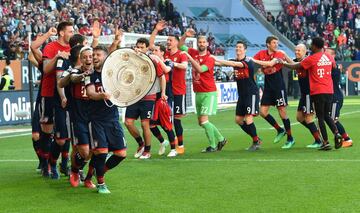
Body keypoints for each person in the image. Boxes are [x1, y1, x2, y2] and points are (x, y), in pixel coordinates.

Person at [282, 37, 342, 150]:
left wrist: (282, 63)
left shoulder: (312, 58)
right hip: (329, 90)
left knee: (320, 117)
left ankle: (326, 142)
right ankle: (336, 133)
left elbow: (296, 66)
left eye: (312, 45)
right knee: (326, 115)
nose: (311, 47)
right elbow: (334, 66)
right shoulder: (329, 57)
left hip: (317, 91)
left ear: (315, 46)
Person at [85, 45, 127, 194]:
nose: (94, 57)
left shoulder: (113, 74)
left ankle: (97, 172)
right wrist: (101, 96)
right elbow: (90, 93)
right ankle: (101, 183)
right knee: (101, 152)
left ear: (106, 57)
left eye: (98, 55)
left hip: (113, 119)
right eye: (93, 55)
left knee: (121, 154)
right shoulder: (89, 75)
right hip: (96, 120)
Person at [180, 30, 227, 152]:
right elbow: (180, 45)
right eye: (199, 42)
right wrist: (185, 36)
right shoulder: (194, 52)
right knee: (201, 122)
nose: (201, 44)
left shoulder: (210, 58)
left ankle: (212, 146)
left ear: (207, 44)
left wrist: (190, 58)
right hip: (198, 92)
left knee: (204, 121)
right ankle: (221, 139)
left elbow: (200, 69)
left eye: (203, 42)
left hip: (208, 93)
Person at [39, 21, 73, 178]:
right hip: (49, 93)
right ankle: (45, 165)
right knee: (46, 131)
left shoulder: (73, 48)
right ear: (61, 32)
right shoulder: (50, 47)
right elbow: (46, 69)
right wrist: (58, 56)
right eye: (70, 31)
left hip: (66, 95)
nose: (72, 34)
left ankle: (62, 164)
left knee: (65, 132)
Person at [150, 20, 188, 155]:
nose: (168, 42)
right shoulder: (164, 56)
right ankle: (172, 144)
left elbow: (184, 66)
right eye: (167, 40)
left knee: (176, 120)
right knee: (164, 121)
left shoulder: (181, 54)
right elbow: (152, 47)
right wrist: (156, 30)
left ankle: (180, 145)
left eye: (170, 40)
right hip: (167, 91)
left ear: (177, 42)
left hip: (178, 90)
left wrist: (173, 64)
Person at [124, 38, 167, 159]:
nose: (139, 49)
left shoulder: (153, 60)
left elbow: (162, 76)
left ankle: (147, 151)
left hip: (149, 96)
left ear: (147, 49)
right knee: (128, 122)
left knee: (145, 124)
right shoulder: (131, 60)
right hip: (135, 96)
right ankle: (141, 143)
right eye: (138, 47)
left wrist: (163, 92)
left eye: (142, 47)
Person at [214, 41, 261, 151]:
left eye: (240, 47)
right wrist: (209, 60)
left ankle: (255, 142)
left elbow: (234, 65)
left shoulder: (248, 61)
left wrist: (219, 61)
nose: (238, 49)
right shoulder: (234, 61)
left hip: (251, 93)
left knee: (248, 118)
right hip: (242, 95)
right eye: (236, 47)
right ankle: (256, 138)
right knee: (239, 120)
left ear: (245, 50)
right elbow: (222, 64)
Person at [253, 35, 295, 149]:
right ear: (268, 44)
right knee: (262, 112)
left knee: (282, 111)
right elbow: (252, 61)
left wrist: (260, 63)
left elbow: (271, 64)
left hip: (278, 86)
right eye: (274, 43)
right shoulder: (261, 53)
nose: (276, 45)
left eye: (277, 43)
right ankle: (280, 130)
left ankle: (290, 138)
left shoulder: (279, 53)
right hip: (268, 86)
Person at [149, 43, 179, 157]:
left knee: (167, 125)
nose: (154, 53)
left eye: (156, 51)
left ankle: (173, 149)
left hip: (166, 97)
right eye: (153, 51)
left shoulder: (168, 62)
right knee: (151, 124)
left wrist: (157, 60)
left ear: (162, 52)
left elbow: (166, 70)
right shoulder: (152, 64)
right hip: (154, 97)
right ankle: (163, 141)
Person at [292, 44, 322, 148]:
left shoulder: (308, 60)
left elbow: (294, 65)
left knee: (308, 118)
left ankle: (318, 141)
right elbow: (292, 63)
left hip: (310, 93)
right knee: (299, 118)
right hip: (304, 94)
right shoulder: (296, 60)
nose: (296, 52)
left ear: (305, 51)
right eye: (295, 50)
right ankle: (316, 132)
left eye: (299, 50)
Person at [325, 48, 353, 148]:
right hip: (332, 97)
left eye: (327, 54)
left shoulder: (335, 67)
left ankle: (347, 139)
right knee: (329, 118)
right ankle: (339, 137)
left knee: (333, 120)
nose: (324, 56)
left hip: (335, 97)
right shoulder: (331, 66)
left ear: (333, 56)